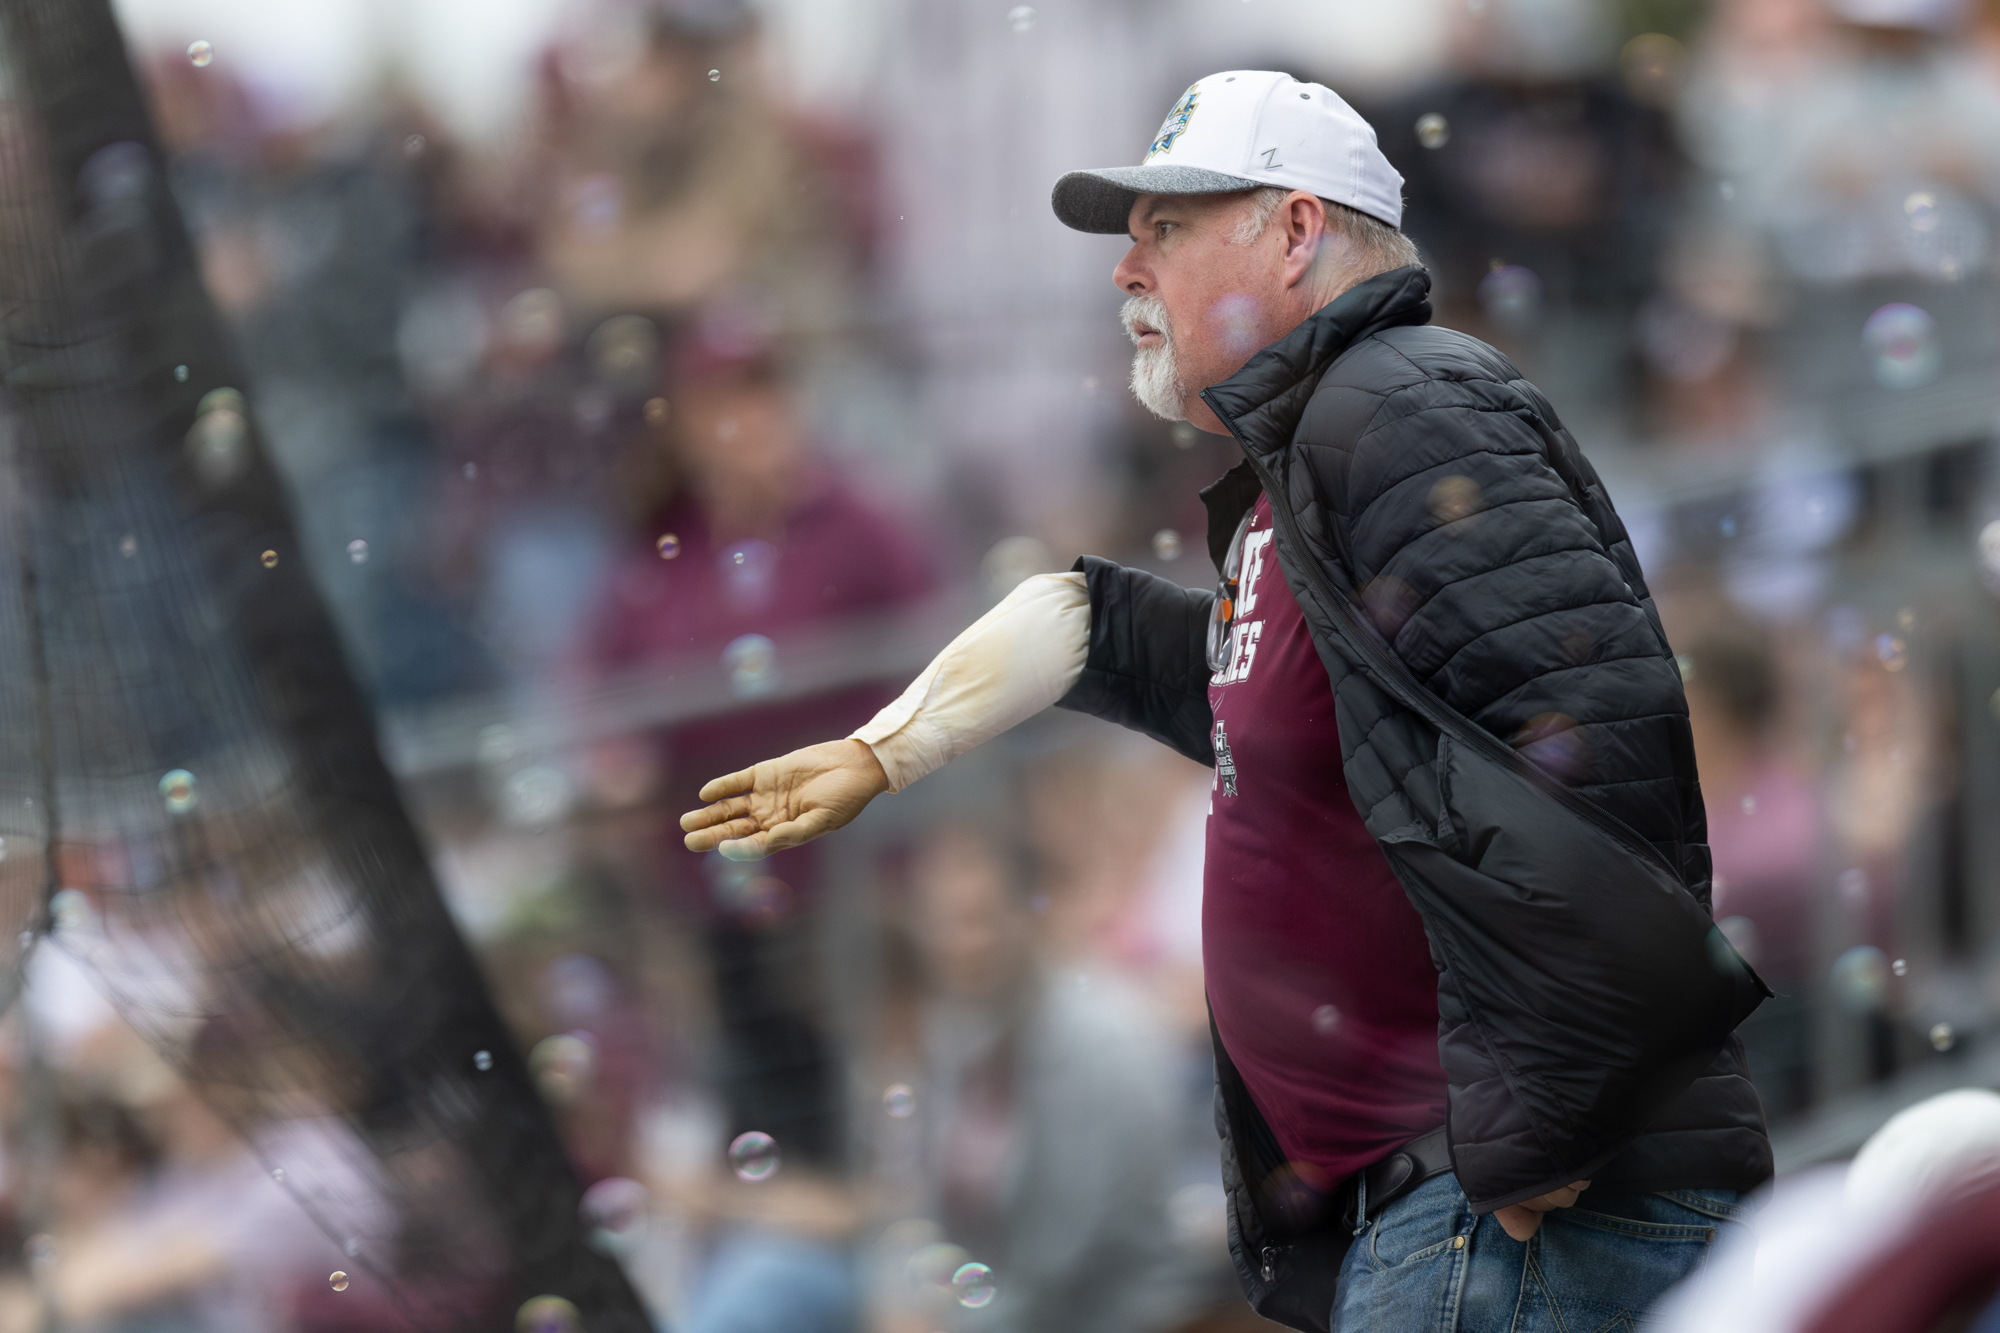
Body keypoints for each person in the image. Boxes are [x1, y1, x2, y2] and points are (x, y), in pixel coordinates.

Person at [680, 70, 1770, 1333]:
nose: (1123, 272)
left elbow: (1594, 729)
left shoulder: (1399, 400)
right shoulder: (1319, 456)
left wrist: (1550, 1126)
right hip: (1453, 1217)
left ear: (1296, 231)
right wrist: (888, 749)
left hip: (1515, 1217)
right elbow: (1161, 651)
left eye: (1167, 229)